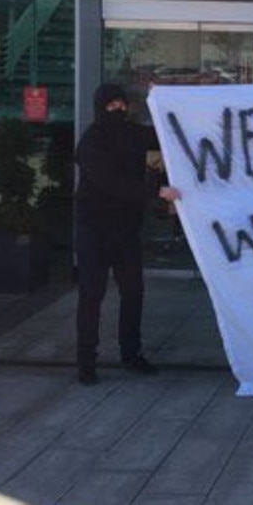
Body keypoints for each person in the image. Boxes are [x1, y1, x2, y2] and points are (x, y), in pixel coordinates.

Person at [75, 83, 180, 386]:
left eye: (123, 105)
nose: (118, 110)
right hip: (94, 229)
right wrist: (156, 191)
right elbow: (111, 182)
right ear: (101, 108)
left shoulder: (133, 133)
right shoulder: (91, 142)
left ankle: (131, 353)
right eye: (112, 106)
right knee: (91, 295)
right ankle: (86, 362)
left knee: (134, 292)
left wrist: (166, 99)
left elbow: (166, 132)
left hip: (126, 229)